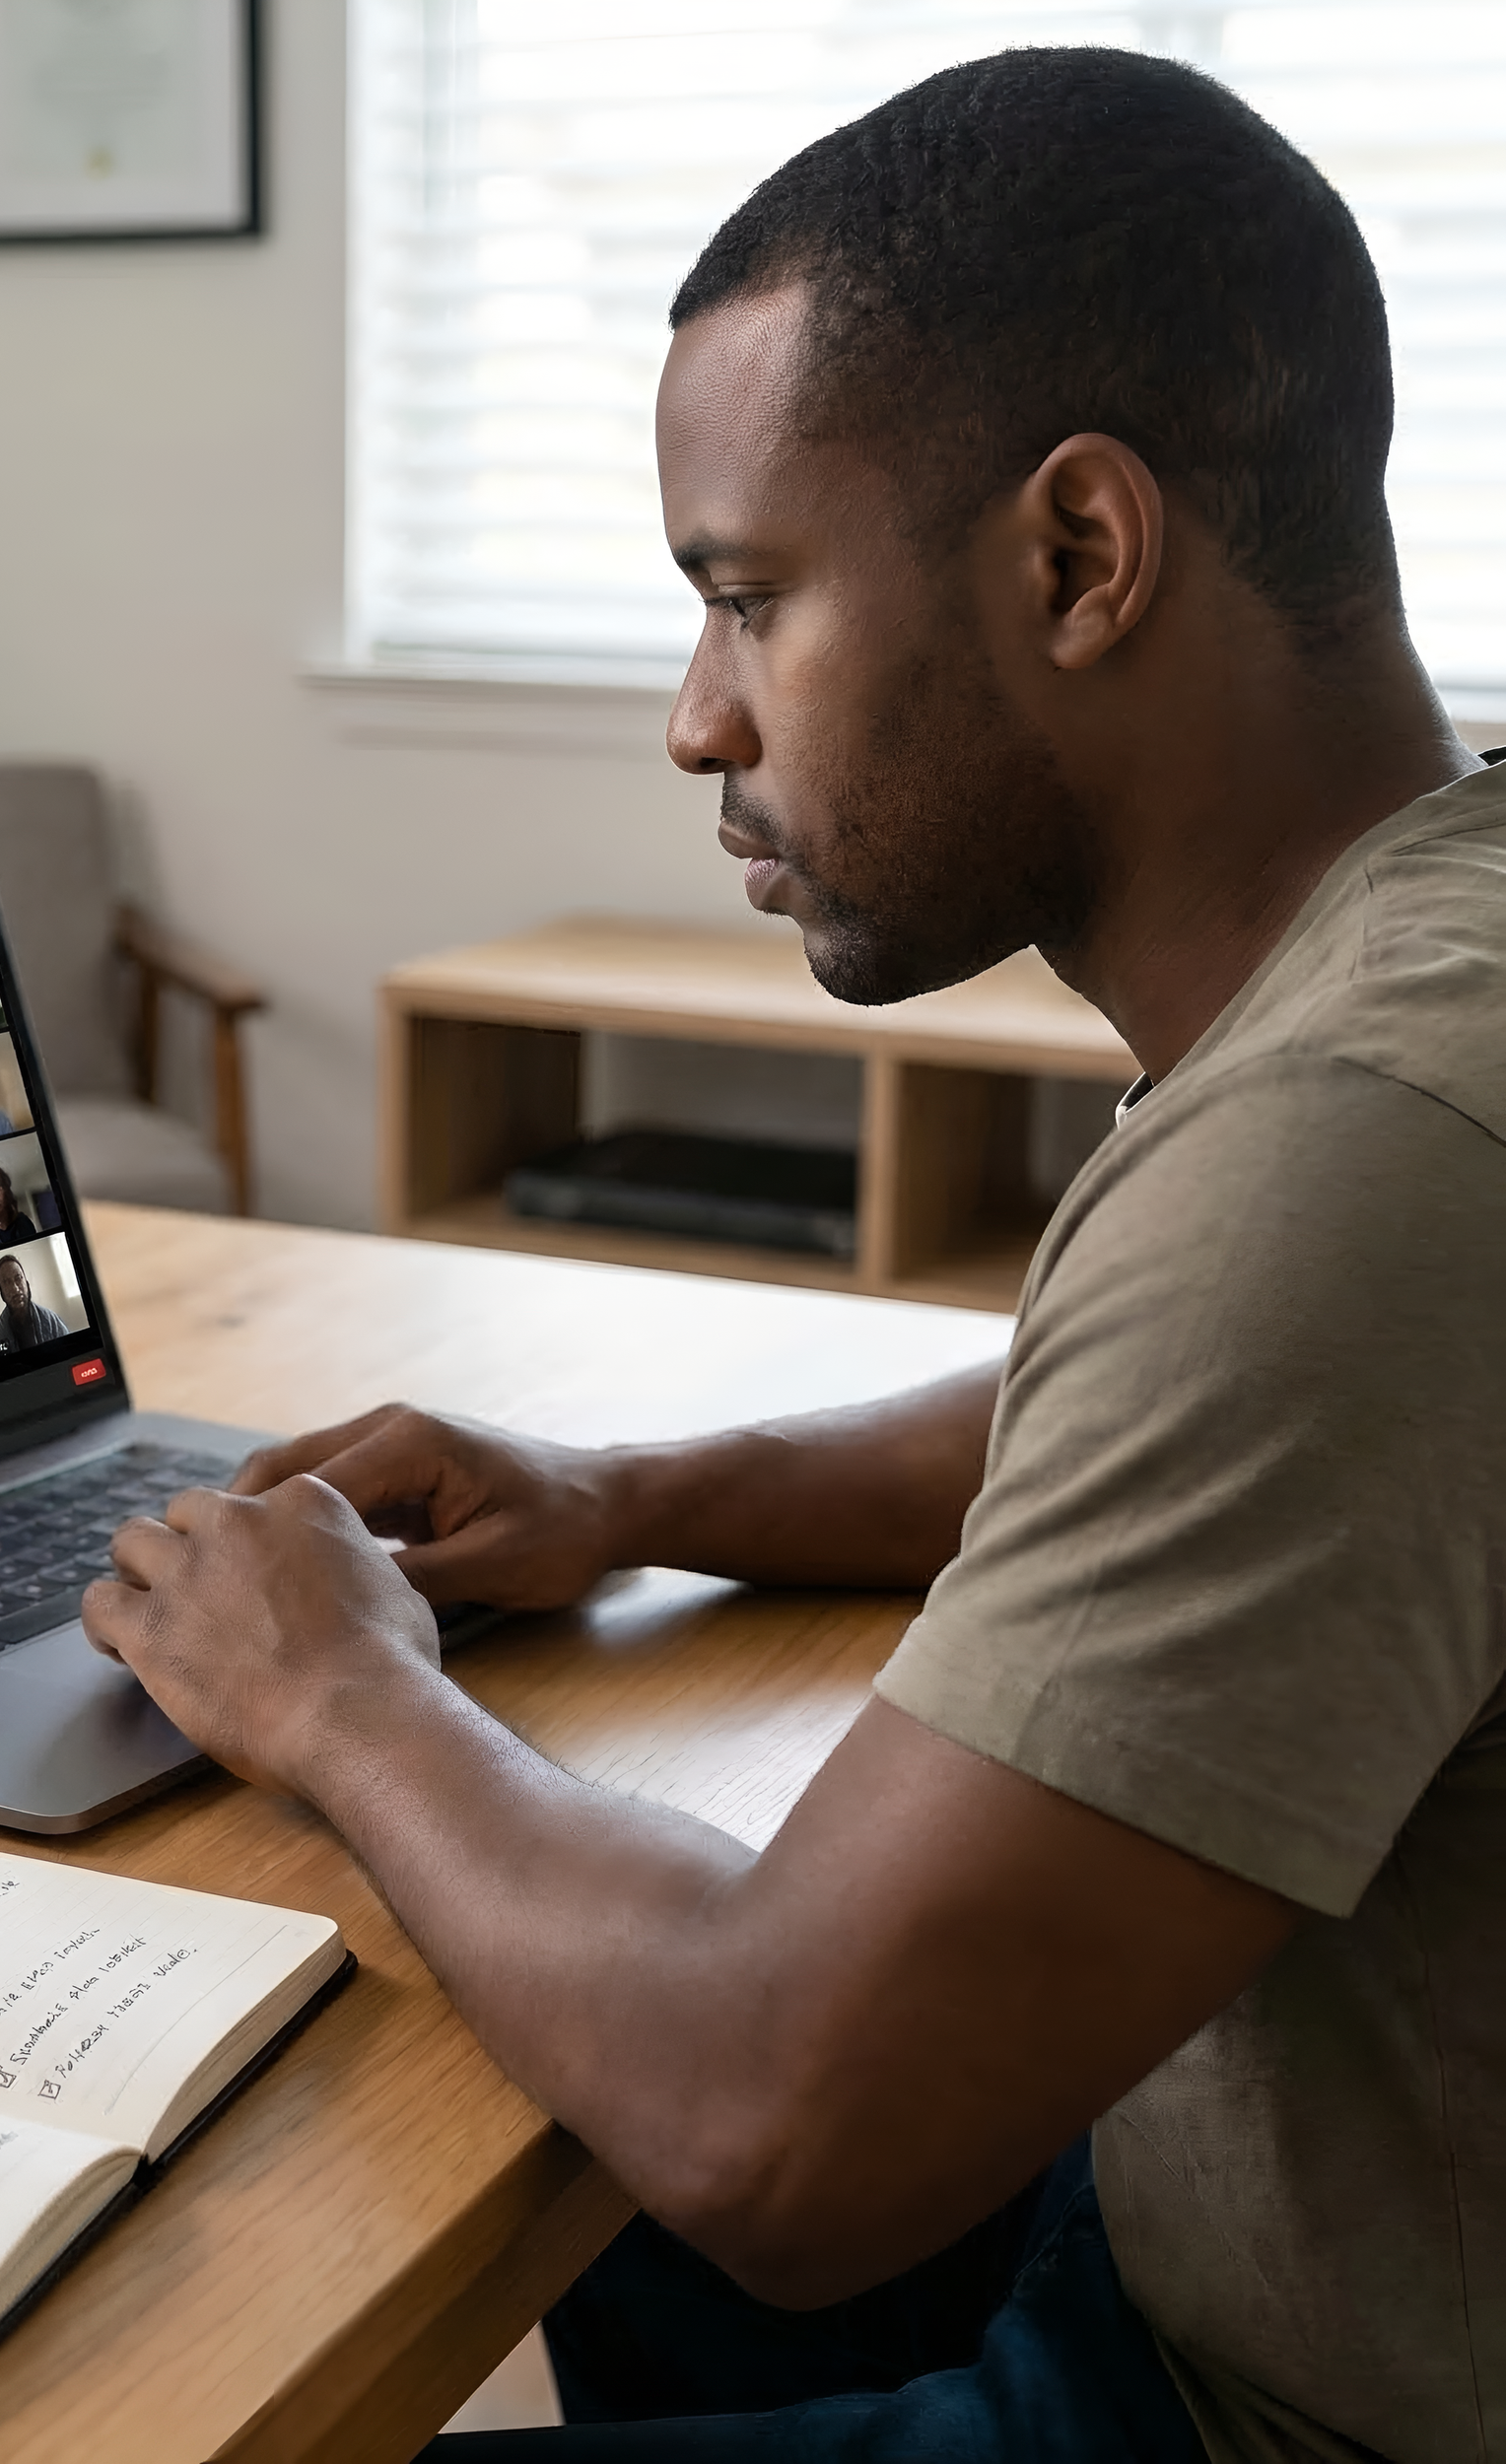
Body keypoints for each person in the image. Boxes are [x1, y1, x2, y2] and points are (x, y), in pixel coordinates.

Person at [83, 49, 1506, 2463]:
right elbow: (1130, 1419)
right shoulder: (1424, 950)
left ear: (1077, 556)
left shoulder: (1349, 1148)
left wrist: (340, 1695)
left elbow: (776, 2124)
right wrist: (636, 1492)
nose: (693, 718)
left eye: (747, 598)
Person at [0, 1253, 68, 1354]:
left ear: (27, 1283)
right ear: (1, 1293)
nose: (15, 1289)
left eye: (18, 1278)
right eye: (6, 1282)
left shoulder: (52, 1322)